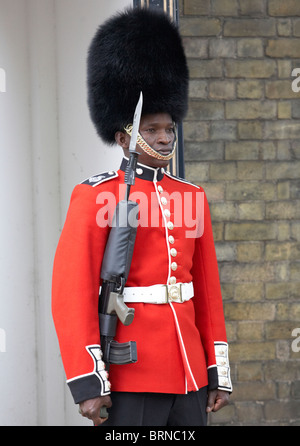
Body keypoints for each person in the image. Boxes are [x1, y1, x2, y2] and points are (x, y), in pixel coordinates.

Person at [52, 7, 232, 427]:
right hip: (131, 372)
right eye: (151, 129)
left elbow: (205, 291)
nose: (165, 136)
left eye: (169, 127)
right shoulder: (95, 195)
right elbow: (72, 292)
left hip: (189, 370)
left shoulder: (191, 195)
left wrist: (216, 370)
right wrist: (88, 381)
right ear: (124, 136)